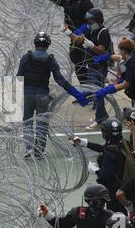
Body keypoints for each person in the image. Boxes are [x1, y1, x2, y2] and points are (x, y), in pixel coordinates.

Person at [17, 31, 89, 159]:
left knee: (27, 122)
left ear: (35, 43)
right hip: (43, 95)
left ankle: (28, 149)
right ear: (48, 45)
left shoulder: (26, 57)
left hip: (27, 93)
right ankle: (39, 152)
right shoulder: (50, 59)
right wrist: (76, 93)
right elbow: (60, 79)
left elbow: (18, 77)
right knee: (41, 123)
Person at [22, 0, 94, 84]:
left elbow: (93, 21)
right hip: (74, 38)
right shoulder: (68, 0)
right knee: (78, 64)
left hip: (86, 39)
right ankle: (86, 90)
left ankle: (93, 92)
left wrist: (80, 32)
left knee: (89, 65)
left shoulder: (85, 2)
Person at [66, 8, 112, 129]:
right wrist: (67, 32)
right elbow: (79, 39)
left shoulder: (103, 32)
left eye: (91, 21)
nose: (89, 23)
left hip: (98, 67)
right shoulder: (93, 30)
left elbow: (102, 50)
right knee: (96, 93)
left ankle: (101, 119)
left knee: (98, 93)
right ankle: (101, 116)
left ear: (97, 20)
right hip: (92, 66)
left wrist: (91, 46)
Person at [92, 38, 135, 126]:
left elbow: (125, 84)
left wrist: (108, 89)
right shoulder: (134, 57)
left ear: (124, 51)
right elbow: (118, 57)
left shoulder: (133, 65)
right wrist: (106, 57)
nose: (119, 52)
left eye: (120, 50)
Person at [72, 118, 126, 213]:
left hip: (114, 192)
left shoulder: (110, 152)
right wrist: (84, 143)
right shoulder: (122, 144)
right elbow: (104, 148)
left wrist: (95, 170)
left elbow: (105, 176)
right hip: (125, 187)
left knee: (116, 217)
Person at [38, 184, 113, 228]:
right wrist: (47, 214)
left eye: (95, 202)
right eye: (88, 201)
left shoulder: (111, 217)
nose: (91, 204)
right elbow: (61, 226)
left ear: (104, 201)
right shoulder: (81, 213)